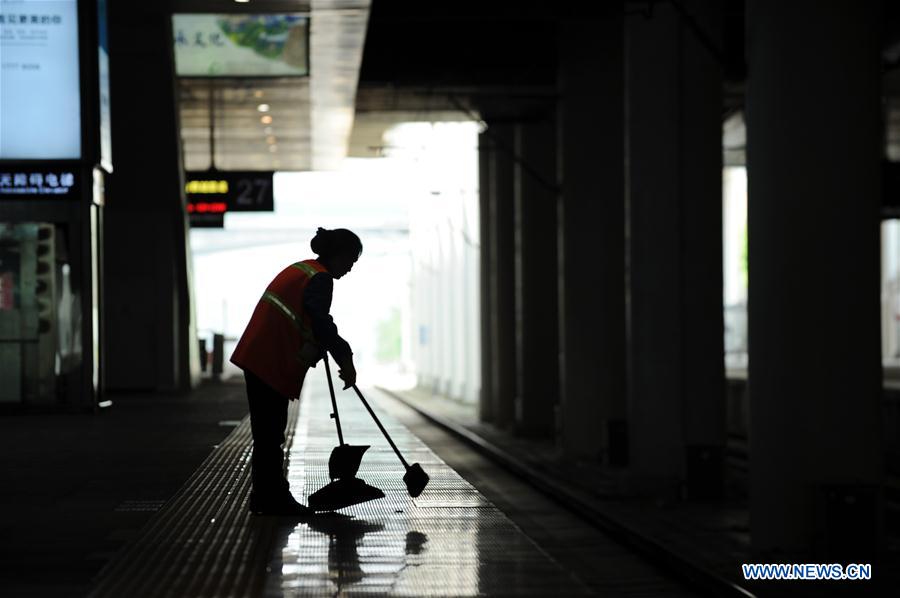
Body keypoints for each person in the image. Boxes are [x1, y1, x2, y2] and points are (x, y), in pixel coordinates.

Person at [230, 227, 361, 516]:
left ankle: (265, 497)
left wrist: (319, 347)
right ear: (337, 255)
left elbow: (306, 322)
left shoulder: (302, 270)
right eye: (350, 261)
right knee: (270, 435)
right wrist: (345, 357)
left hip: (261, 356)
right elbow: (321, 322)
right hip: (269, 360)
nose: (350, 268)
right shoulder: (320, 278)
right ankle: (273, 498)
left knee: (267, 434)